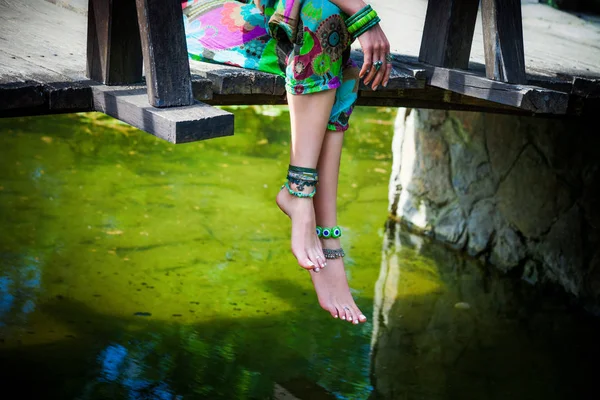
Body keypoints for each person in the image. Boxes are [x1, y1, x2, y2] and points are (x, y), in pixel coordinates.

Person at [183, 0, 391, 324]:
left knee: (328, 26)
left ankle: (316, 217)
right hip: (217, 18)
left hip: (292, 24)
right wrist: (364, 15)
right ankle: (305, 203)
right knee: (326, 23)